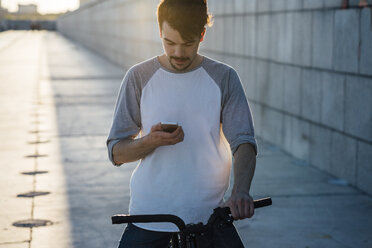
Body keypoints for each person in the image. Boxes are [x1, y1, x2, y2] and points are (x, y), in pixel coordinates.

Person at [106, 0, 258, 247]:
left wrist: (241, 190)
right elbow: (116, 152)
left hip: (210, 218)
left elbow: (244, 142)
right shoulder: (139, 77)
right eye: (169, 42)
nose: (178, 53)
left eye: (188, 44)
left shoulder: (224, 77)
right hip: (148, 217)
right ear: (159, 33)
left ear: (202, 34)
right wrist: (150, 142)